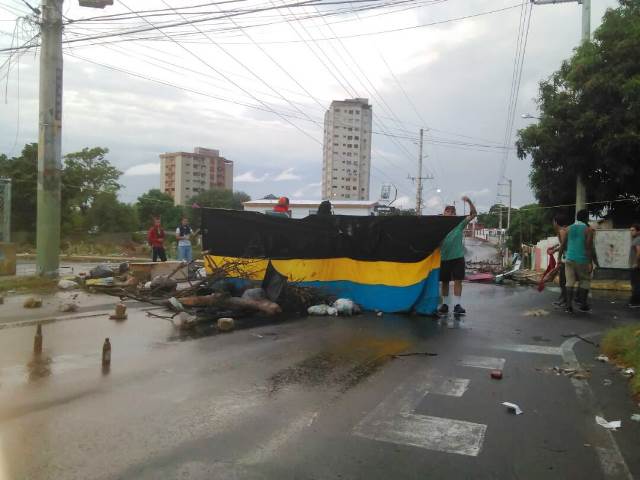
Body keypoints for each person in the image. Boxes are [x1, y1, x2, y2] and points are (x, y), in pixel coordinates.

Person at [438, 196, 477, 316]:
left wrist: (469, 201)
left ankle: (457, 305)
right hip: (443, 258)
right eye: (448, 211)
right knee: (444, 282)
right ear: (444, 213)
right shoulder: (438, 225)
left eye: (452, 211)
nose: (450, 213)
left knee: (457, 281)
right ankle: (444, 304)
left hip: (457, 257)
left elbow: (474, 214)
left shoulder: (459, 224)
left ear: (455, 214)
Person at [562, 209, 594, 313]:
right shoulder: (588, 230)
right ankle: (583, 305)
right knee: (585, 281)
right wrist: (590, 262)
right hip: (582, 259)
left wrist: (559, 257)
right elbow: (588, 247)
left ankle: (568, 306)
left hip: (569, 258)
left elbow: (563, 245)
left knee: (569, 282)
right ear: (586, 218)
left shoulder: (568, 229)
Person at [548, 213, 570, 307]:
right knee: (563, 280)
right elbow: (562, 243)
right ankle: (564, 298)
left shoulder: (562, 231)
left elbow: (564, 245)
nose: (553, 223)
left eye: (553, 221)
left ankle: (565, 300)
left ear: (556, 222)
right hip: (567, 257)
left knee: (563, 280)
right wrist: (554, 247)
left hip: (567, 257)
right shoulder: (563, 230)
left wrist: (556, 253)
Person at [629, 223, 640, 308]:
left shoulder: (637, 239)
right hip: (635, 265)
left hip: (636, 266)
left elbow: (639, 252)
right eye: (630, 230)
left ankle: (635, 302)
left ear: (638, 231)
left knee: (635, 284)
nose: (631, 232)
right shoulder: (636, 239)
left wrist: (636, 263)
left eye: (633, 230)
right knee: (636, 283)